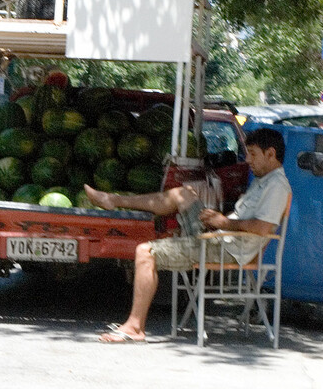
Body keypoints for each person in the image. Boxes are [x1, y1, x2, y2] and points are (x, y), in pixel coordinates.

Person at [84, 127, 292, 343]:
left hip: (226, 250)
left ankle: (135, 327)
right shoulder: (264, 180)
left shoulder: (277, 186)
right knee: (182, 194)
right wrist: (218, 220)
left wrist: (224, 222)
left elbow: (262, 228)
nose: (247, 159)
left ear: (271, 154)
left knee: (145, 252)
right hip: (221, 237)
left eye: (253, 154)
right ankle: (113, 200)